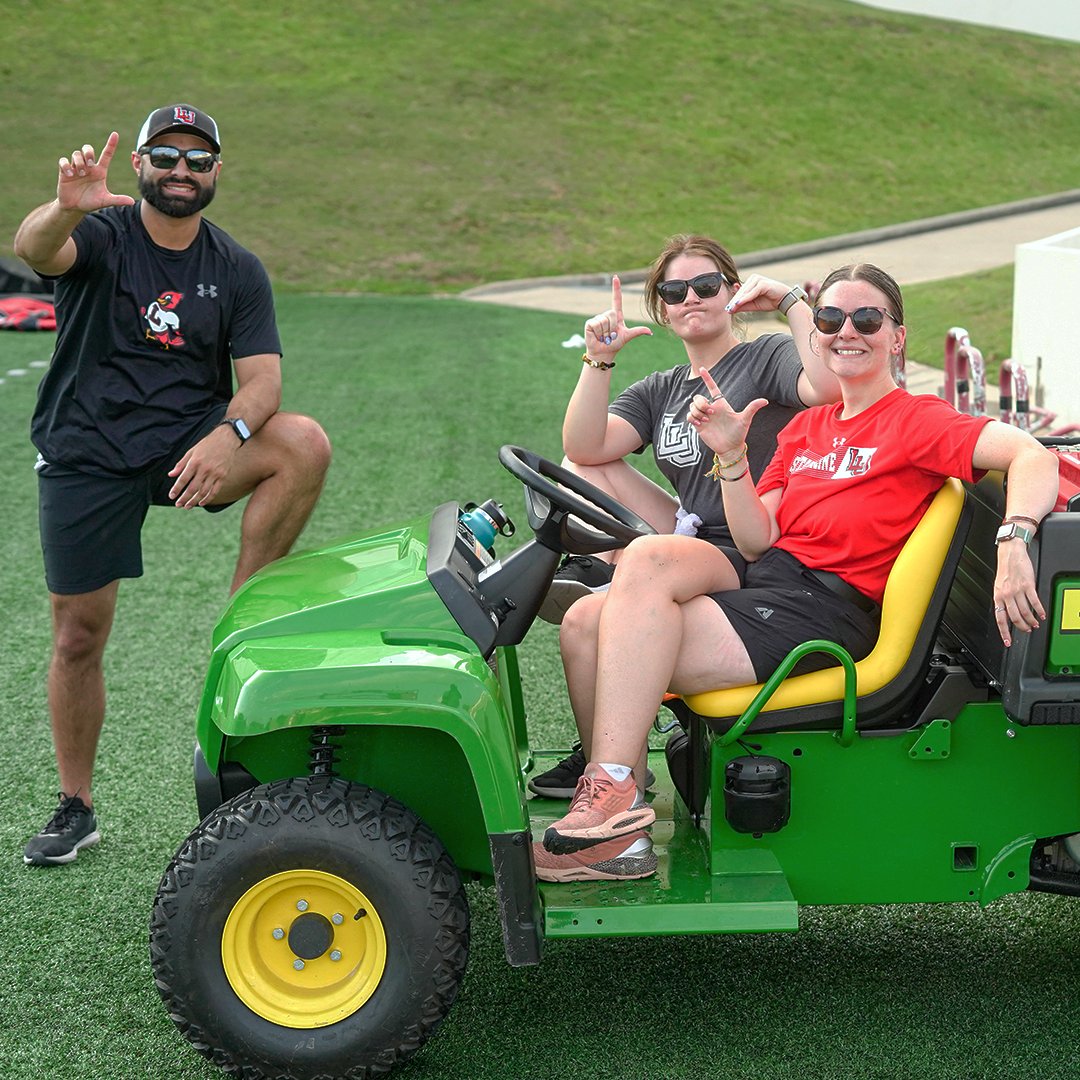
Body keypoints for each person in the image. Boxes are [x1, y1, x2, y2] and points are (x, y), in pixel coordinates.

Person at [531, 263, 1060, 883]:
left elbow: (1030, 453)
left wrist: (1015, 538)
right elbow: (757, 539)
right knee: (586, 619)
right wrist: (732, 455)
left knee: (640, 569)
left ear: (897, 338)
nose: (845, 332)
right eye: (832, 319)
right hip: (769, 588)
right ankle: (623, 824)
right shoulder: (805, 428)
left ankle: (614, 795)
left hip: (825, 615)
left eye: (866, 319)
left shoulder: (914, 419)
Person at [14, 104, 332, 866]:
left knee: (302, 442)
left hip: (187, 444)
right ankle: (76, 804)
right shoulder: (99, 232)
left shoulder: (235, 267)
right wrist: (63, 205)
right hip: (86, 447)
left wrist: (232, 434)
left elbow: (263, 382)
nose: (181, 171)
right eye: (167, 156)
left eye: (197, 160)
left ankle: (240, 622)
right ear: (141, 166)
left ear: (217, 172)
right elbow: (33, 250)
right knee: (78, 635)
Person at [529, 233, 841, 799]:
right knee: (578, 612)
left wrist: (792, 301)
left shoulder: (763, 357)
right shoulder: (663, 388)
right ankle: (607, 763)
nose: (691, 298)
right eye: (675, 290)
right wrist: (599, 358)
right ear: (663, 308)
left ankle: (615, 574)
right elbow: (584, 443)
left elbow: (822, 385)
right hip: (689, 532)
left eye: (705, 285)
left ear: (731, 291)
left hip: (752, 543)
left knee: (641, 561)